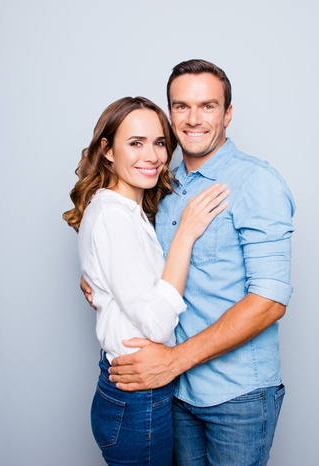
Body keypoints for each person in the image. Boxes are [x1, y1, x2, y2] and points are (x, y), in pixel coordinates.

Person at [82, 60, 296, 465]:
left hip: (237, 396)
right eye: (181, 107)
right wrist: (99, 273)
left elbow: (269, 300)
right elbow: (140, 260)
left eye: (208, 106)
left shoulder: (256, 183)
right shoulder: (161, 184)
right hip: (174, 393)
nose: (193, 119)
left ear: (228, 114)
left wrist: (173, 361)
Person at [63, 96, 229, 466]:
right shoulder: (113, 217)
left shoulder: (128, 210)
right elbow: (156, 324)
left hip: (139, 393)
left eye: (158, 143)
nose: (152, 156)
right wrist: (185, 234)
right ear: (107, 150)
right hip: (136, 398)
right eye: (135, 143)